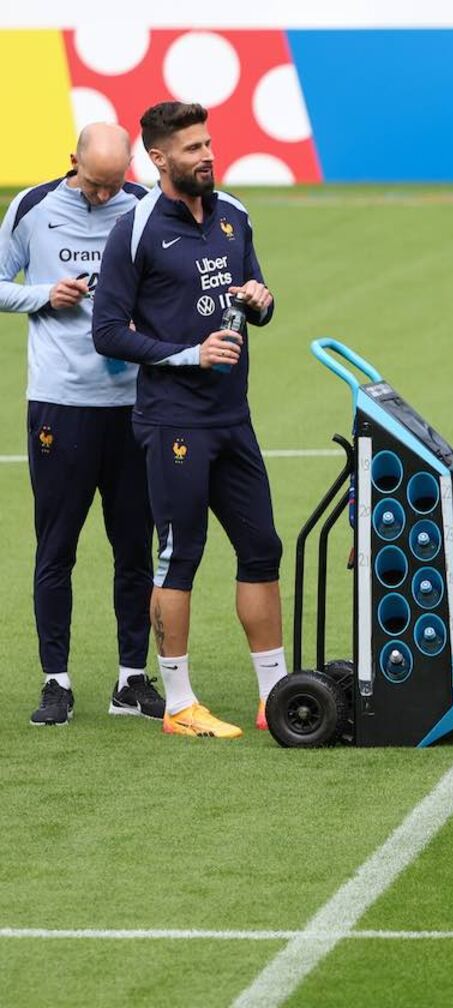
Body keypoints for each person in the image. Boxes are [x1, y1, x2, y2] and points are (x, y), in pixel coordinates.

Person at [91, 101, 284, 739]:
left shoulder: (234, 215)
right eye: (193, 147)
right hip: (173, 420)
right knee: (180, 556)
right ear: (158, 158)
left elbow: (254, 293)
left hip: (235, 415)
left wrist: (261, 300)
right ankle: (178, 703)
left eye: (208, 143)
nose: (206, 155)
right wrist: (187, 354)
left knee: (262, 548)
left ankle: (272, 695)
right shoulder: (137, 226)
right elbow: (108, 332)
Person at [3, 123, 158, 726]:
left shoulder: (143, 206)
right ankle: (56, 681)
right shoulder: (33, 208)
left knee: (134, 547)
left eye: (113, 184)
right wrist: (43, 295)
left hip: (133, 406)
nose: (103, 197)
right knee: (57, 547)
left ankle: (130, 679)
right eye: (94, 184)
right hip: (59, 404)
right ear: (72, 162)